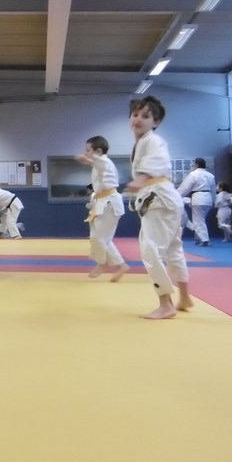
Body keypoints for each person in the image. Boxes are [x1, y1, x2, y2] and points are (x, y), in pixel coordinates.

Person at [125, 96, 192, 320]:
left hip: (159, 198)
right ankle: (185, 297)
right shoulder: (142, 142)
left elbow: (158, 160)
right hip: (165, 198)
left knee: (150, 250)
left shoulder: (153, 141)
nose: (138, 119)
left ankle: (166, 304)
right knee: (173, 248)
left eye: (145, 116)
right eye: (135, 114)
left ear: (156, 121)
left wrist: (142, 178)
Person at [74, 135, 129, 280]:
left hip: (109, 203)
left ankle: (101, 263)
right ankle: (122, 266)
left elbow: (99, 163)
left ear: (98, 151)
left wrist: (87, 160)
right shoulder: (98, 165)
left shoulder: (105, 162)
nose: (86, 153)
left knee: (97, 237)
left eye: (88, 150)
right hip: (103, 202)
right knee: (104, 239)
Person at [177, 158, 216, 245]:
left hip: (198, 198)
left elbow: (185, 187)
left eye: (194, 164)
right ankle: (198, 238)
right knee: (201, 220)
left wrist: (176, 196)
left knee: (198, 221)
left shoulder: (193, 174)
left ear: (197, 164)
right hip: (208, 198)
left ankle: (205, 239)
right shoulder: (211, 176)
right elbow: (213, 190)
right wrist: (214, 200)